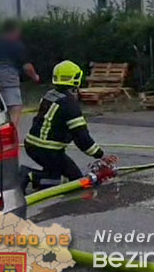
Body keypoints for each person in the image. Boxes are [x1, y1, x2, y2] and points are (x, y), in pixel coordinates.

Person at [22, 60, 113, 191]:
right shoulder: (69, 105)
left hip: (34, 145)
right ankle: (28, 175)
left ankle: (45, 176)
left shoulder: (50, 95)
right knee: (58, 182)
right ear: (76, 78)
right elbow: (82, 138)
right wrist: (101, 155)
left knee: (75, 178)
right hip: (48, 150)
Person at [0, 19, 39, 126]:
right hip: (8, 79)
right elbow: (27, 67)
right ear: (14, 31)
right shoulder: (16, 45)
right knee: (14, 107)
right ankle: (10, 132)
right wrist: (35, 77)